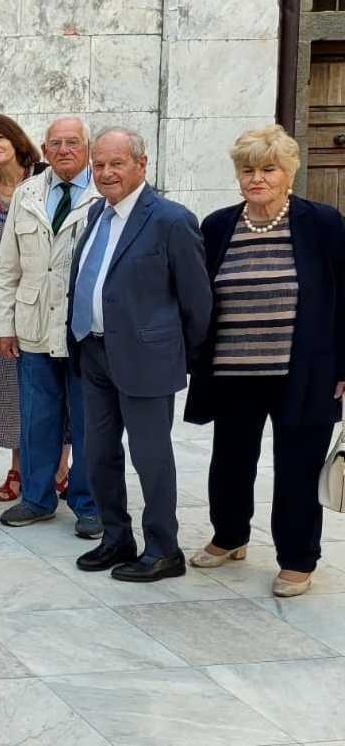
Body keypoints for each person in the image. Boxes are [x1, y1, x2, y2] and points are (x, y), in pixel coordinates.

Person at [184, 126, 345, 597]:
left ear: (288, 172)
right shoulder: (217, 226)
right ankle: (229, 536)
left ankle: (298, 558)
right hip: (234, 372)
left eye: (268, 168)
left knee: (297, 466)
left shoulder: (322, 223)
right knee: (230, 462)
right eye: (248, 169)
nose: (257, 178)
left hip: (304, 372)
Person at [68, 127, 211, 582]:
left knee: (150, 457)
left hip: (146, 360)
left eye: (117, 163)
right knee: (98, 452)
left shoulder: (170, 219)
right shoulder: (96, 215)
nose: (106, 172)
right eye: (99, 165)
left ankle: (164, 548)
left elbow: (197, 302)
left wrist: (176, 355)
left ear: (141, 165)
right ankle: (117, 538)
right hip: (93, 353)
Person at [0, 117, 102, 538]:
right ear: (44, 149)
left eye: (73, 142)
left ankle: (89, 504)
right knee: (38, 417)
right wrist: (4, 326)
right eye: (55, 143)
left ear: (87, 147)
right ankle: (36, 498)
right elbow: (7, 269)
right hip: (33, 324)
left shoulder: (102, 194)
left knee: (91, 421)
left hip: (84, 330)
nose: (64, 149)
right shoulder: (28, 193)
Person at [0, 113, 45, 501]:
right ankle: (17, 468)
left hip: (47, 298)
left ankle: (59, 469)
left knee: (54, 384)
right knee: (11, 385)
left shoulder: (46, 178)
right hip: (10, 298)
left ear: (17, 140)